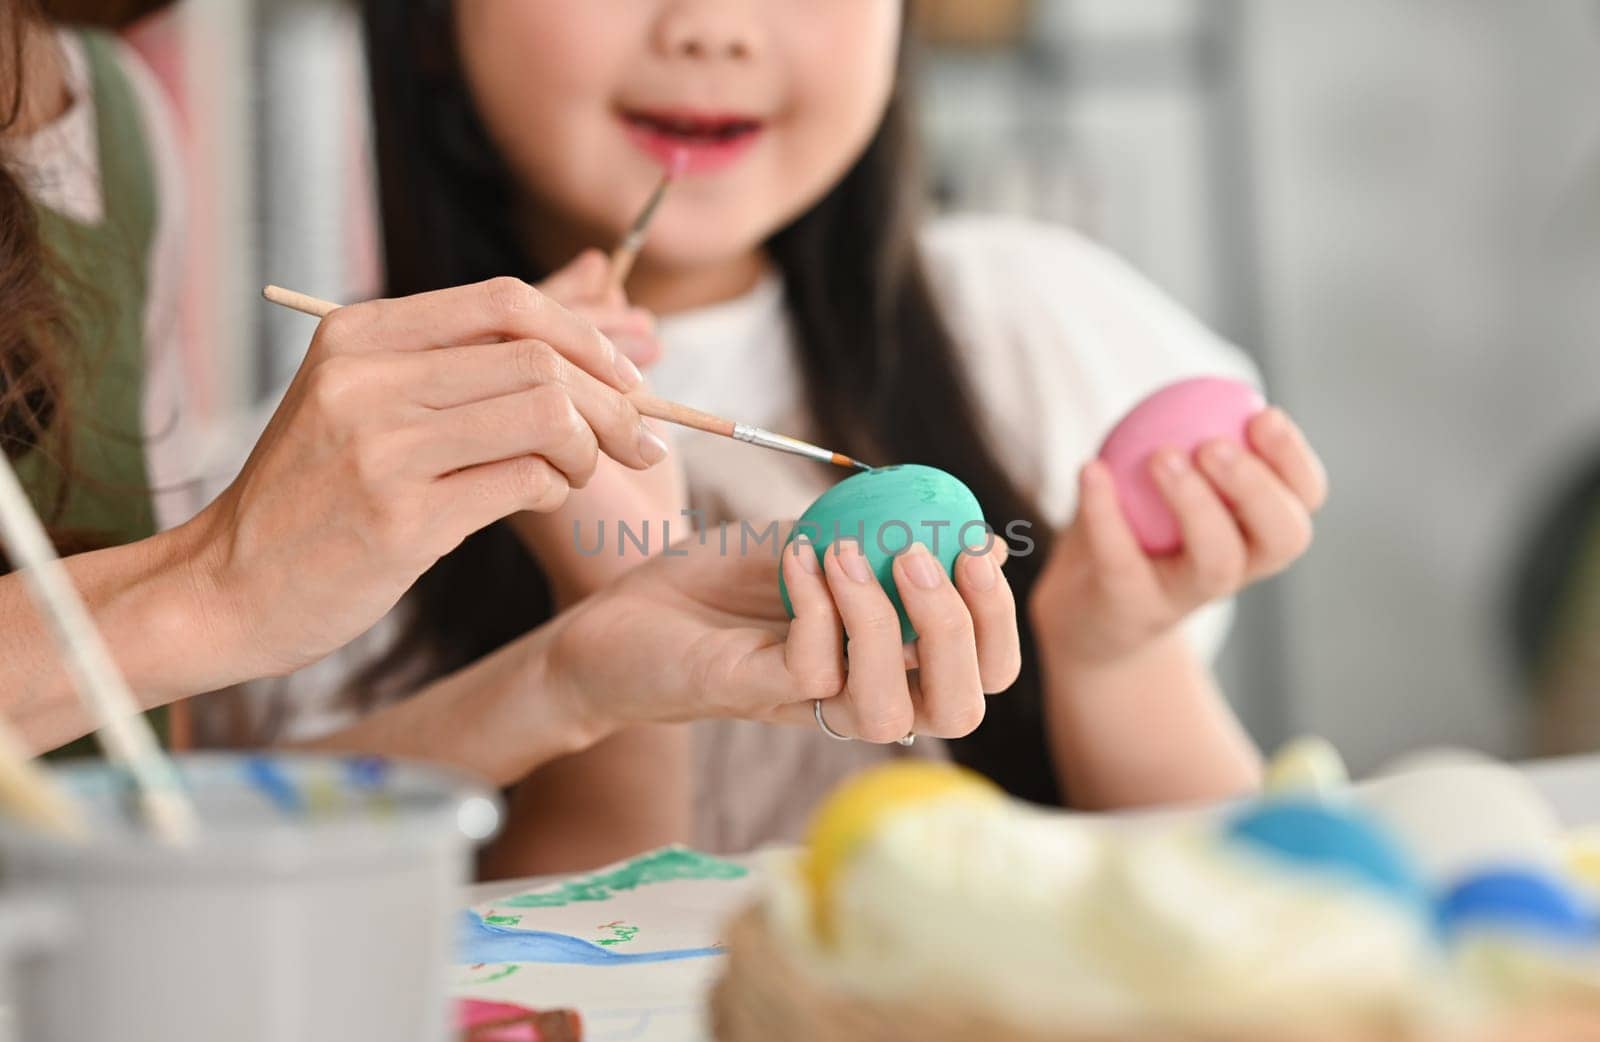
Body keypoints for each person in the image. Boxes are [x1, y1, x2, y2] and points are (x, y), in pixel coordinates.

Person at [345, 0, 1330, 871]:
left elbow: (1231, 915)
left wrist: (1115, 657)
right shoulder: (342, 477)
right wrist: (600, 615)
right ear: (430, 16)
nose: (713, 24)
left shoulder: (1029, 331)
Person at [0, 1, 1020, 781]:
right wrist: (211, 583)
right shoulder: (314, 496)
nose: (711, 28)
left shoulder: (109, 118)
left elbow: (140, 827)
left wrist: (576, 674)